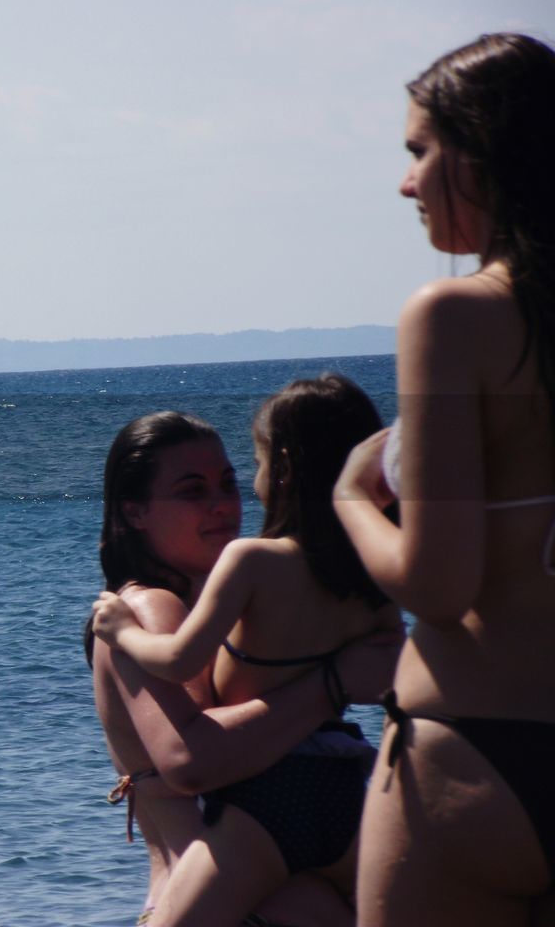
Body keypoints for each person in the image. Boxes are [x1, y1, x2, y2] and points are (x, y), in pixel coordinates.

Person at [332, 33, 555, 926]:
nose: (407, 182)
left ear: (484, 153)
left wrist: (351, 496)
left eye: (421, 151)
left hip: (477, 753)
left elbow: (438, 579)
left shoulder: (455, 316)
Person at [94, 378, 403, 926]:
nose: (221, 505)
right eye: (192, 491)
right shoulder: (152, 610)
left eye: (229, 483)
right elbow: (191, 762)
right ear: (134, 512)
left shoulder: (251, 588)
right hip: (247, 890)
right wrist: (334, 680)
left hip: (257, 879)